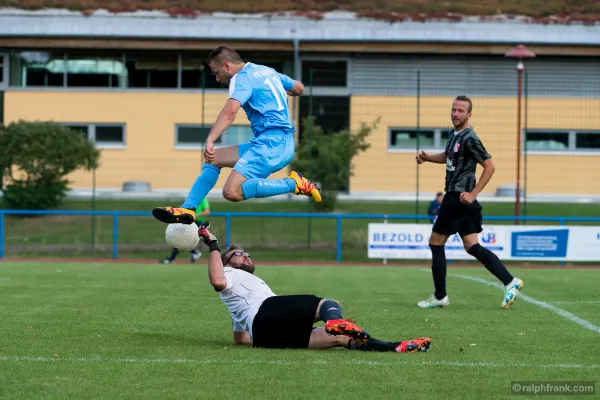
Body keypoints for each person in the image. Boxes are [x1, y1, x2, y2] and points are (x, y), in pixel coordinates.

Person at [197, 221, 431, 353]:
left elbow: (240, 339)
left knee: (339, 339)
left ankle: (394, 347)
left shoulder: (240, 295)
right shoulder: (229, 273)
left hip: (263, 334)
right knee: (329, 304)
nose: (245, 255)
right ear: (226, 262)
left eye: (246, 253)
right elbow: (217, 280)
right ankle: (334, 320)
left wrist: (260, 336)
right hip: (266, 313)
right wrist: (213, 244)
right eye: (238, 254)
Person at [152, 46, 321, 225]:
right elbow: (299, 88)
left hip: (272, 143)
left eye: (216, 73)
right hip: (274, 142)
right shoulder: (266, 71)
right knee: (214, 159)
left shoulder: (241, 78)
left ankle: (294, 184)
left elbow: (230, 112)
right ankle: (188, 208)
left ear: (227, 65)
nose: (217, 78)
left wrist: (210, 139)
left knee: (231, 192)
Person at [415, 95, 524, 309]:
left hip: (458, 197)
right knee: (472, 246)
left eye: (461, 111)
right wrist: (428, 158)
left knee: (435, 243)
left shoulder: (469, 138)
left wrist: (473, 193)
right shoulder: (454, 134)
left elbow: (490, 167)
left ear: (469, 114)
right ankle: (510, 281)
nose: (456, 114)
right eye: (454, 109)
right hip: (462, 200)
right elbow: (448, 156)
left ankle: (440, 296)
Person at [160, 198, 211, 264]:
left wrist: (194, 216)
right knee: (178, 238)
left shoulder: (203, 199)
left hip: (197, 223)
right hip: (190, 221)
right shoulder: (193, 198)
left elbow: (207, 211)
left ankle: (171, 259)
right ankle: (194, 252)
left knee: (181, 239)